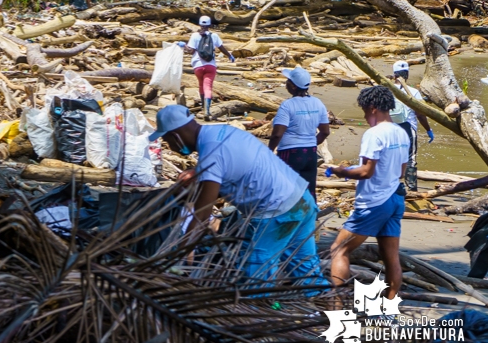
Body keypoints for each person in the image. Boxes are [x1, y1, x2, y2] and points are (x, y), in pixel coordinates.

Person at [152, 104, 325, 285]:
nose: (170, 147)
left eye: (168, 141)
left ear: (176, 136)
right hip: (301, 198)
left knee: (255, 275)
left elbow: (201, 214)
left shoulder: (210, 153)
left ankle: (258, 309)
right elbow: (233, 168)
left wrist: (177, 259)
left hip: (278, 211)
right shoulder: (221, 132)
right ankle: (329, 310)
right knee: (307, 271)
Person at [327, 86, 409, 301]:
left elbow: (366, 172)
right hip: (395, 198)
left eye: (364, 110)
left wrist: (340, 171)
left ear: (372, 108)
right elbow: (401, 171)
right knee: (391, 257)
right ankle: (389, 309)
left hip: (374, 201)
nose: (365, 115)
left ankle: (337, 304)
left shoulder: (374, 134)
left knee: (339, 250)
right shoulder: (402, 132)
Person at [268, 67, 331, 200]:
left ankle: (288, 219)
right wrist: (311, 143)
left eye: (288, 81)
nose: (286, 83)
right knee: (309, 191)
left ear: (292, 86)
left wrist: (269, 150)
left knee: (288, 192)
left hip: (290, 153)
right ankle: (309, 218)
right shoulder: (317, 103)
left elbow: (277, 134)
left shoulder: (287, 105)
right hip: (310, 154)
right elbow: (325, 131)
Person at [178, 16, 235, 120]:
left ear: (199, 24)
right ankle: (207, 111)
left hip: (198, 66)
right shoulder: (214, 36)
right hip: (210, 65)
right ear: (209, 25)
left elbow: (190, 51)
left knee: (201, 85)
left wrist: (183, 45)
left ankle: (203, 106)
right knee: (208, 87)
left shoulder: (195, 36)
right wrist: (229, 55)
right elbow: (221, 48)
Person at [389, 60, 434, 191]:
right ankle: (411, 187)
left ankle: (391, 185)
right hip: (409, 128)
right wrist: (428, 129)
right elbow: (420, 114)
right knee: (410, 158)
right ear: (407, 75)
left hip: (391, 128)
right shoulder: (414, 92)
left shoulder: (388, 91)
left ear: (394, 75)